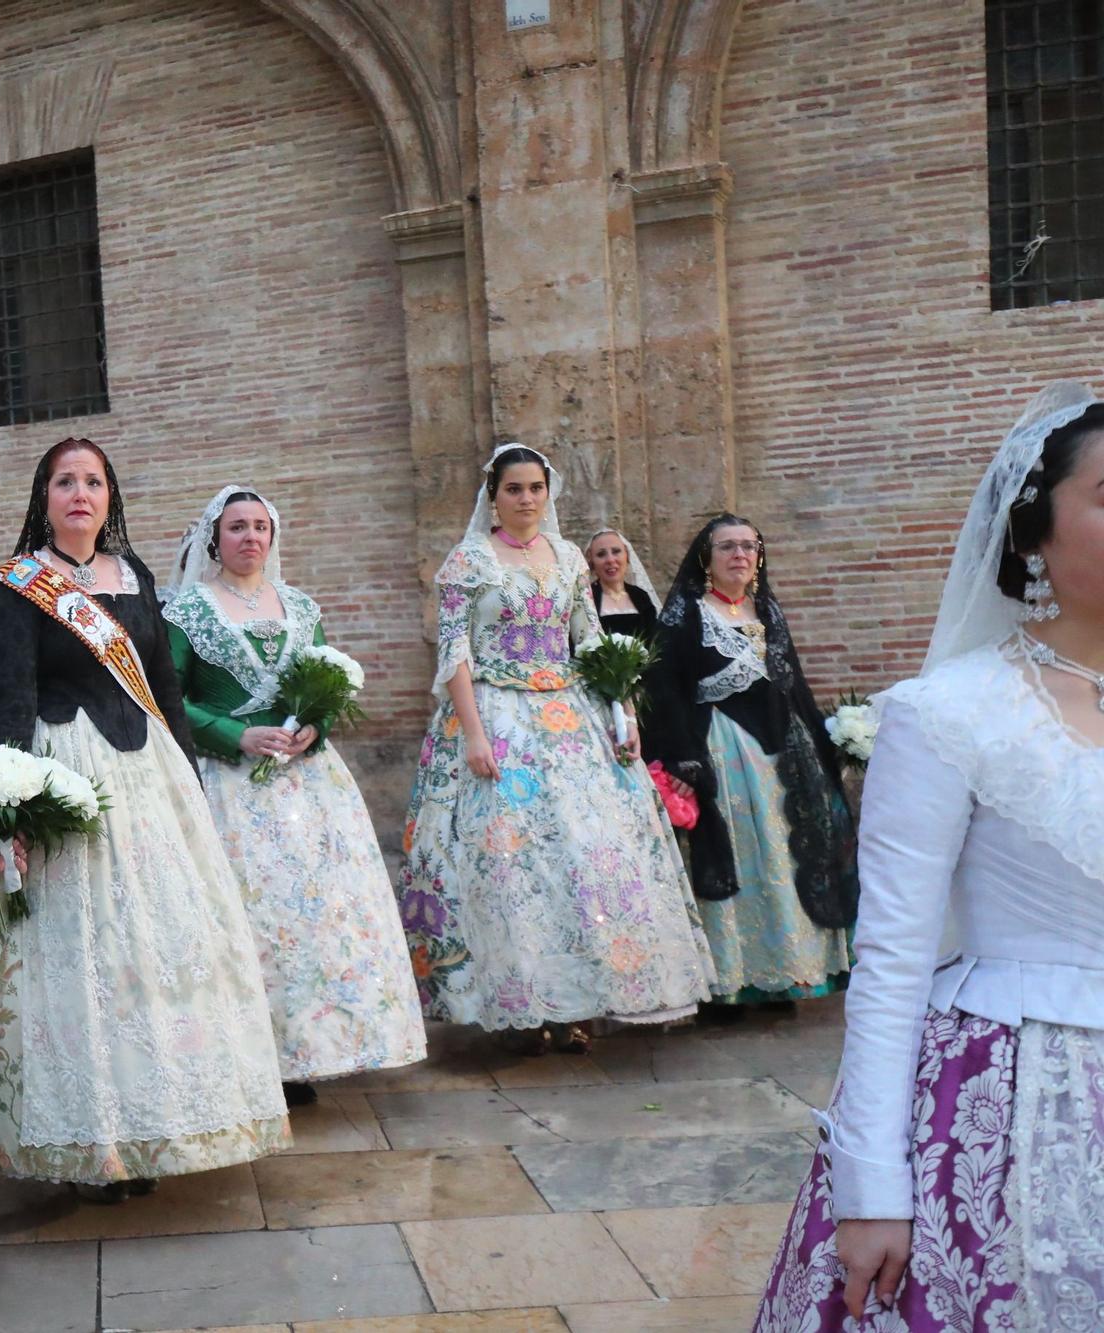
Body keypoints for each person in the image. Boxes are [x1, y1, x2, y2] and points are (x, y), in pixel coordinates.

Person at [756, 383, 1104, 1330]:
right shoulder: (949, 712)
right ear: (1035, 532)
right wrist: (870, 1183)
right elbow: (893, 957)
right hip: (1010, 1106)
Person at [0, 438, 289, 1201]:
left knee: (149, 955)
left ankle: (154, 1121)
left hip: (145, 776)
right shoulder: (18, 584)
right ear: (45, 496)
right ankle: (87, 1137)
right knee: (75, 960)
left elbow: (160, 687)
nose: (79, 493)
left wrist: (189, 778)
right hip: (62, 778)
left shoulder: (138, 577)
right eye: (65, 481)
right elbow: (10, 697)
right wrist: (9, 808)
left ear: (109, 496)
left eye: (93, 481)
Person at [396, 444, 711, 1054]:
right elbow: (453, 653)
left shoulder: (569, 557)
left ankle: (584, 999)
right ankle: (523, 999)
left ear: (548, 493)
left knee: (585, 851)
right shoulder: (469, 561)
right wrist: (476, 734)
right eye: (514, 489)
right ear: (494, 496)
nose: (526, 499)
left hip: (570, 719)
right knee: (514, 857)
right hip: (495, 714)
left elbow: (590, 639)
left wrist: (622, 710)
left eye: (536, 488)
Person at [164, 485, 426, 1105]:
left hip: (310, 789)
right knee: (251, 918)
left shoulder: (303, 608)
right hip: (228, 786)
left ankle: (311, 1050)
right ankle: (255, 1055)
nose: (250, 536)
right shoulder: (184, 612)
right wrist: (234, 733)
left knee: (317, 916)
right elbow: (169, 700)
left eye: (260, 526)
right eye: (237, 527)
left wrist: (317, 727)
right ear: (214, 539)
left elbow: (327, 682)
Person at [646, 516, 858, 1014]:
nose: (739, 555)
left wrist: (829, 747)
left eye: (749, 546)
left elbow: (795, 686)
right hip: (722, 748)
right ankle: (734, 984)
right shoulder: (688, 616)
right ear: (707, 557)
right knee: (740, 857)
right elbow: (664, 691)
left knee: (783, 858)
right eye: (727, 547)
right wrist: (680, 756)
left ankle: (785, 975)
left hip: (783, 753)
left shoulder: (767, 612)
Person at [584, 529, 660, 640]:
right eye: (601, 554)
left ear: (627, 556)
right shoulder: (586, 599)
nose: (610, 560)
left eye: (616, 551)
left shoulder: (641, 597)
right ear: (592, 563)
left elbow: (655, 641)